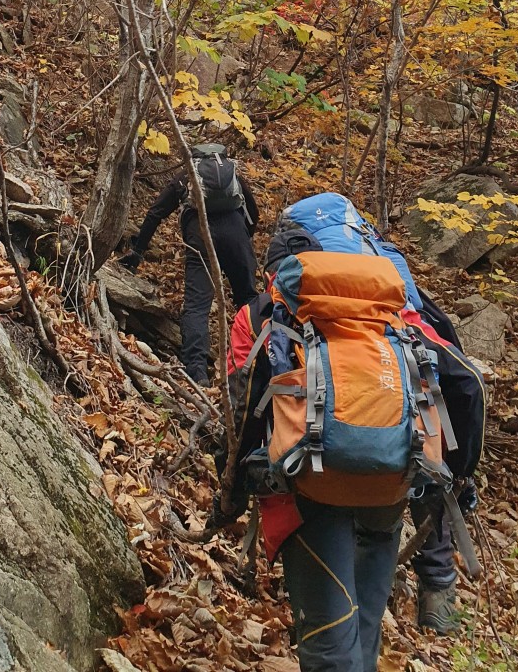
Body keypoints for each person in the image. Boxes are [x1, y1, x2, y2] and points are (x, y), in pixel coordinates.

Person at [213, 193, 485, 669]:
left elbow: (242, 416)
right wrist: (458, 480)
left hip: (307, 491)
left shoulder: (263, 315)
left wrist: (231, 494)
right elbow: (468, 385)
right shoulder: (396, 313)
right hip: (390, 482)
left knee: (328, 646)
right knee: (363, 629)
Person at [119, 142, 259, 385]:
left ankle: (197, 373)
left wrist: (138, 252)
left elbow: (155, 213)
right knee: (249, 300)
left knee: (197, 306)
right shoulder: (231, 175)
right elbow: (253, 214)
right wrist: (243, 243)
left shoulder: (185, 177)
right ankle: (258, 362)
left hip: (200, 236)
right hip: (236, 234)